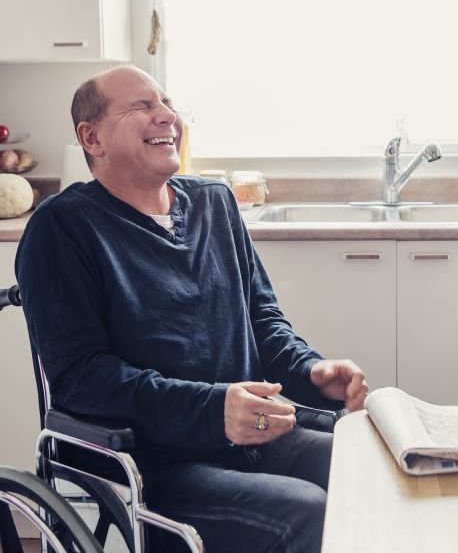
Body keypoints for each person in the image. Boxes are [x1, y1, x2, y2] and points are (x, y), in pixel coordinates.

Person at [16, 65, 368, 552]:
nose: (167, 117)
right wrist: (212, 409)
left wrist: (313, 371)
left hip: (254, 433)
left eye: (168, 104)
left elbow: (262, 323)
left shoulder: (214, 204)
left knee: (367, 467)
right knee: (306, 509)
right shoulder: (62, 230)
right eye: (142, 107)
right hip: (155, 463)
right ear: (91, 137)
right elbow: (82, 377)